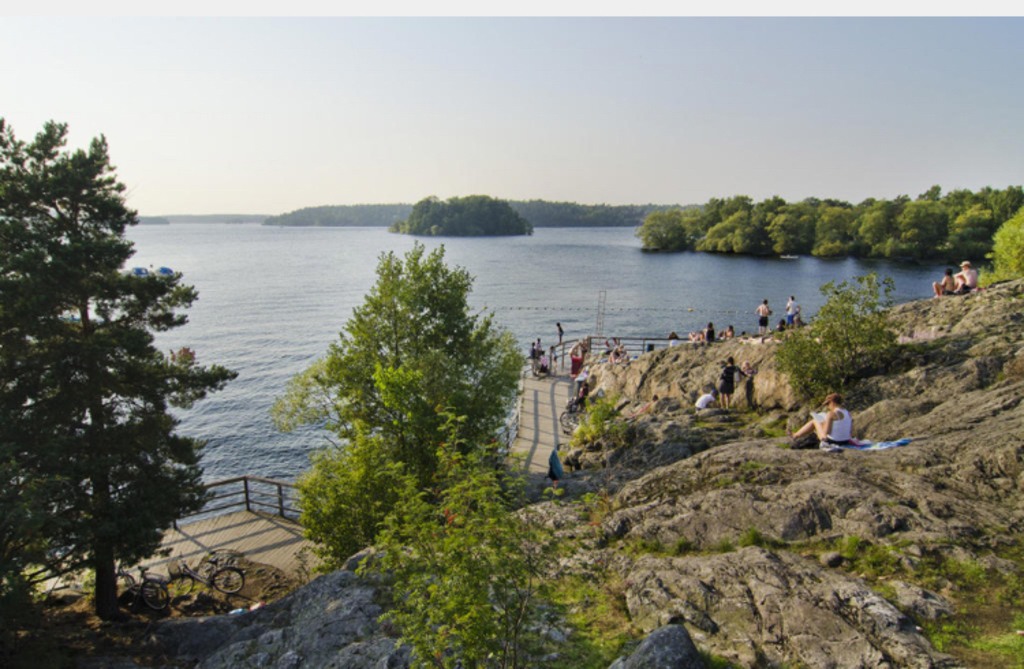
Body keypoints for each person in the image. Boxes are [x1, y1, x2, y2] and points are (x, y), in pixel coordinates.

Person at [787, 393, 853, 447]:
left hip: (834, 442)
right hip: (845, 441)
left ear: (832, 403)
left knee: (815, 421)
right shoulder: (847, 412)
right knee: (818, 421)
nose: (828, 407)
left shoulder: (831, 414)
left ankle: (795, 435)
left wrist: (823, 424)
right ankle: (795, 435)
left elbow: (826, 432)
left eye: (828, 404)